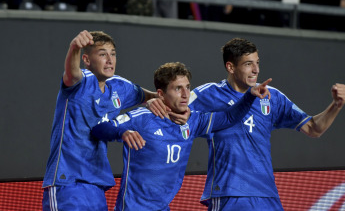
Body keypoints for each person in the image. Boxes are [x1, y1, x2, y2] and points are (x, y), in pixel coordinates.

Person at [187, 38, 345, 210]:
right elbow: (170, 107)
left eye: (257, 63)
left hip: (267, 195)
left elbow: (314, 128)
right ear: (231, 67)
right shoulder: (208, 94)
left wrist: (336, 106)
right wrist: (152, 101)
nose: (256, 70)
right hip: (229, 193)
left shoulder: (272, 97)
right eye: (248, 64)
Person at [91, 62, 272, 210]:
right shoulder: (142, 117)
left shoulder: (192, 121)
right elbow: (99, 129)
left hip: (164, 207)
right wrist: (122, 132)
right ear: (160, 94)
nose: (186, 94)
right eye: (178, 89)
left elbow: (229, 117)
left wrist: (249, 97)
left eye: (187, 87)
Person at [42, 30, 159, 211]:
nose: (110, 60)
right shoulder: (80, 81)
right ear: (87, 60)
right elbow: (71, 73)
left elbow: (149, 96)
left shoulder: (119, 86)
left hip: (96, 186)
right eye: (103, 54)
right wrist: (74, 47)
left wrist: (154, 100)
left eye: (112, 54)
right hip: (67, 183)